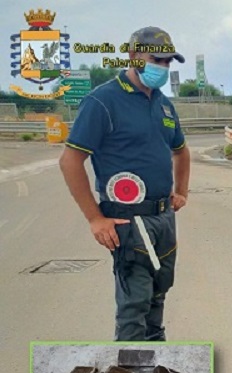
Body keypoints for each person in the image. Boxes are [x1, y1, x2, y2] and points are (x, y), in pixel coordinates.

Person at [59, 27, 189, 341]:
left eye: (168, 61)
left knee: (157, 301)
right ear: (133, 56)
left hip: (162, 219)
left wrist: (181, 192)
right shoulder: (103, 101)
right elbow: (70, 161)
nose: (163, 66)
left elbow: (181, 151)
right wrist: (94, 218)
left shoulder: (163, 104)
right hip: (128, 221)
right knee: (135, 308)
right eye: (156, 59)